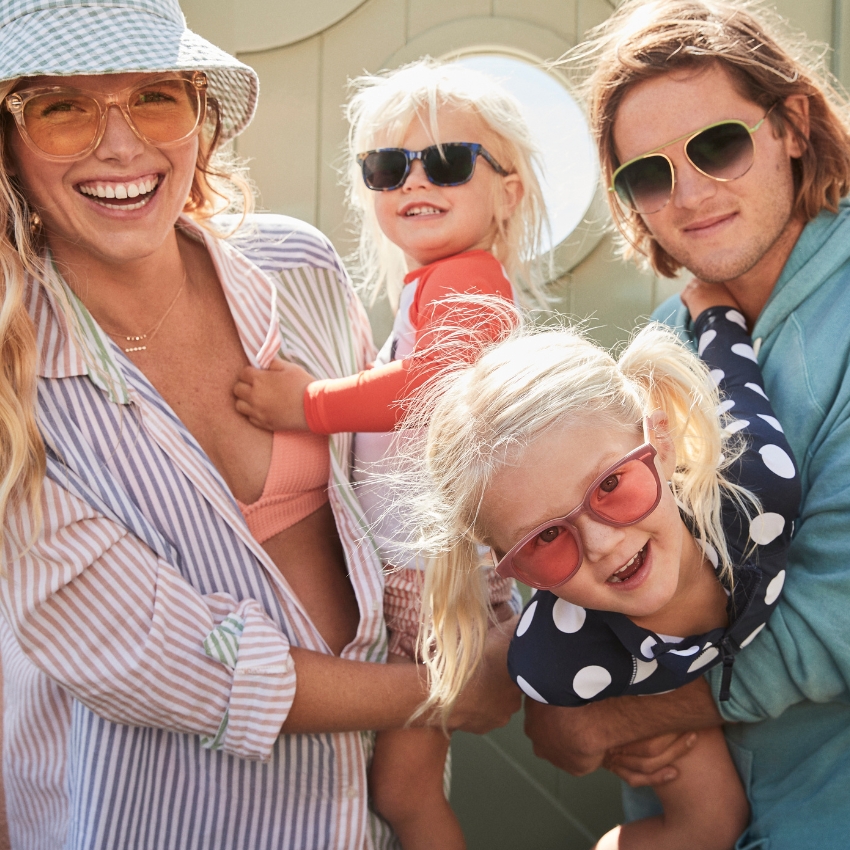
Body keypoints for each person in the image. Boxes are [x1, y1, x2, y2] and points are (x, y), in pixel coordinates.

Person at [0, 3, 521, 849]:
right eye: (60, 108)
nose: (122, 146)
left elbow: (404, 475)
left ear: (200, 122)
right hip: (160, 824)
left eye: (156, 98)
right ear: (7, 146)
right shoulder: (10, 378)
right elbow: (154, 657)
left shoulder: (299, 268)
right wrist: (445, 688)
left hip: (363, 815)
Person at [523, 1, 850, 847]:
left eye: (718, 146)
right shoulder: (660, 347)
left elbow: (834, 620)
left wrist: (605, 717)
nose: (691, 194)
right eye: (650, 175)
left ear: (791, 126)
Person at [232, 59, 548, 850]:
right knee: (398, 785)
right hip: (415, 568)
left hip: (433, 575)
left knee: (403, 791)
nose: (414, 180)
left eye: (445, 162)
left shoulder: (471, 281)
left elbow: (431, 383)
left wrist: (307, 402)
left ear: (508, 190)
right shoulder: (431, 284)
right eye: (386, 167)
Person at [405, 279, 798, 848]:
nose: (603, 544)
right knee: (708, 827)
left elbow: (732, 379)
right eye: (546, 539)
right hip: (648, 680)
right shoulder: (560, 659)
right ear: (504, 565)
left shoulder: (758, 489)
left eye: (611, 484)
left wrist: (712, 310)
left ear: (658, 437)